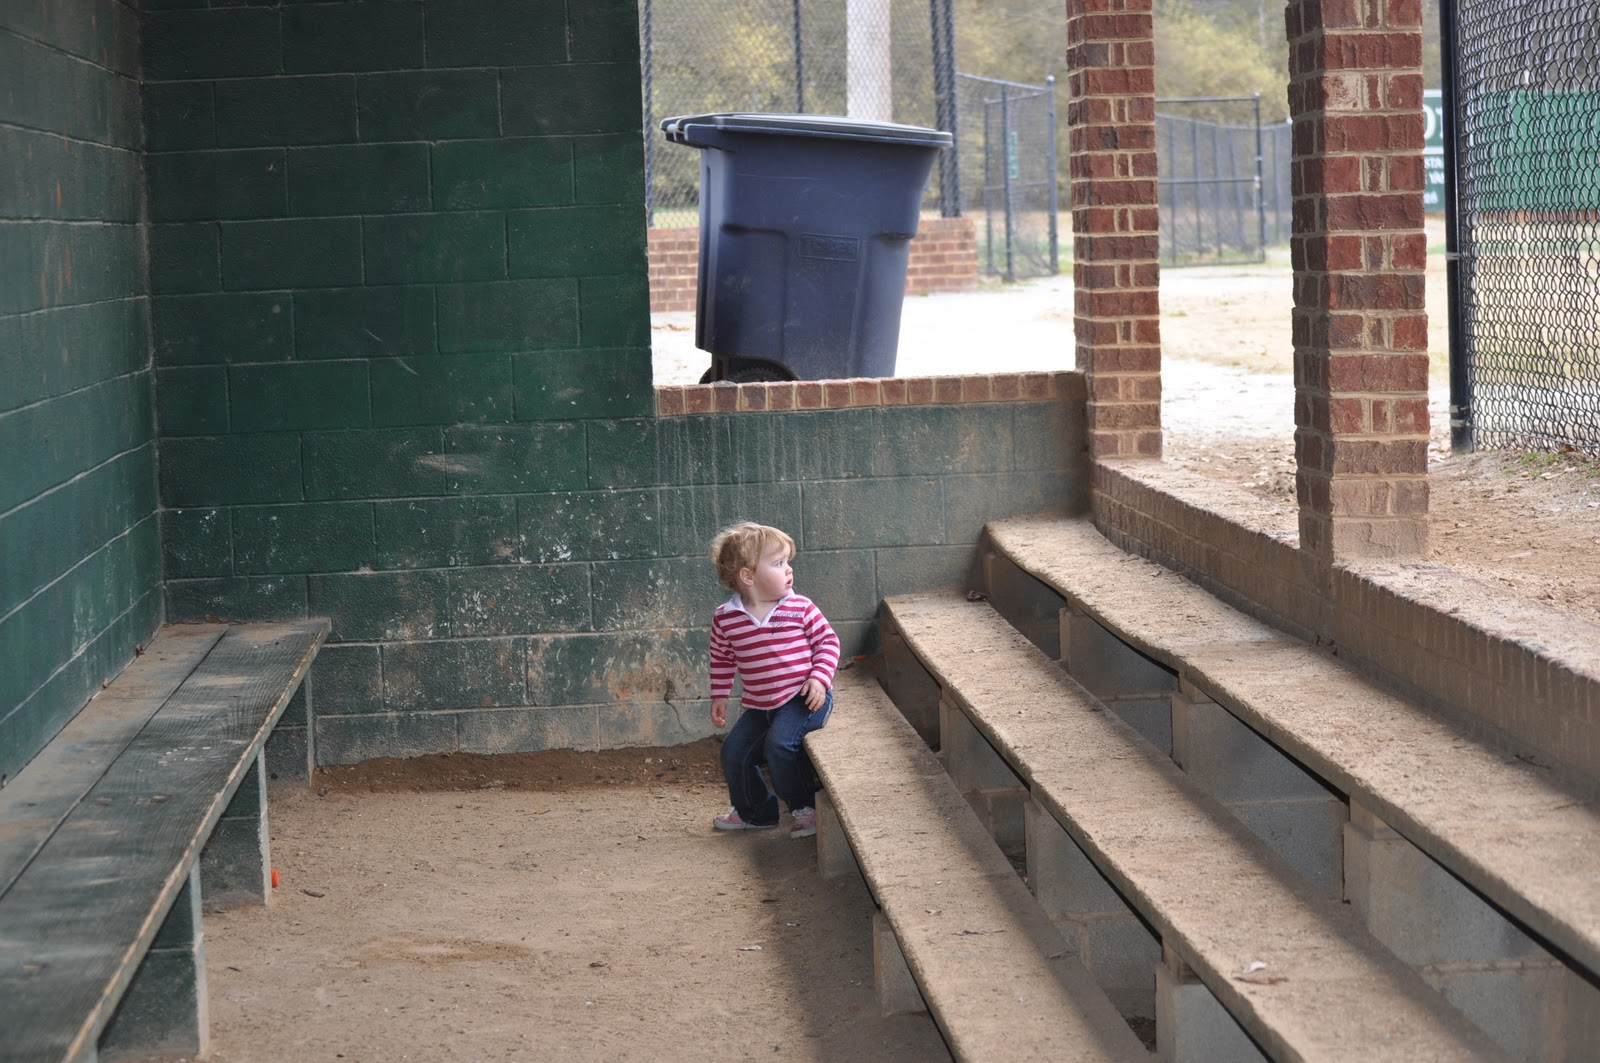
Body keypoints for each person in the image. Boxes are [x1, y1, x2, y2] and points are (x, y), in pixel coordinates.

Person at [707, 522, 841, 839]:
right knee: (734, 753)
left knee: (780, 745)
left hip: (803, 699)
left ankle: (804, 808)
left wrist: (820, 679)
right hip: (760, 705)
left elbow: (829, 642)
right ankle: (756, 812)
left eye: (788, 561)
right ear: (748, 577)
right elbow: (722, 658)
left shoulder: (799, 607)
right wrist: (720, 695)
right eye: (779, 563)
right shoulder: (726, 617)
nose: (789, 570)